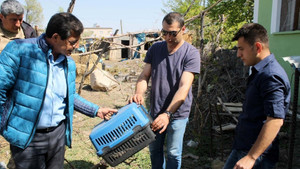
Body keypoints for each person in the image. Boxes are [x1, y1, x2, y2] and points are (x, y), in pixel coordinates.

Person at [0, 12, 117, 169]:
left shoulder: (68, 63)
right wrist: (6, 126)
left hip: (57, 135)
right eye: (72, 42)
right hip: (28, 139)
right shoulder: (20, 50)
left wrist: (96, 110)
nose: (76, 46)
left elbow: (70, 95)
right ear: (55, 37)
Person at [129, 12, 200, 169]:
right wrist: (139, 94)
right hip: (155, 110)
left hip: (177, 114)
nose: (168, 37)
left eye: (172, 33)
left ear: (183, 29)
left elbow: (184, 87)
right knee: (155, 151)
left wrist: (168, 114)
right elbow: (144, 76)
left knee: (173, 153)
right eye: (164, 32)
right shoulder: (155, 49)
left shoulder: (191, 53)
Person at [223, 23, 291, 169]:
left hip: (257, 157)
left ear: (258, 47)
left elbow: (275, 120)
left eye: (241, 49)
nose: (238, 54)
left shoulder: (271, 75)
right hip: (244, 148)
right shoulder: (261, 72)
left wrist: (251, 157)